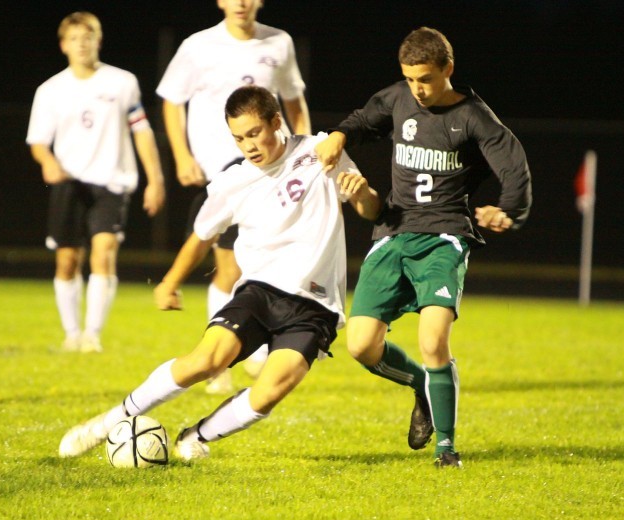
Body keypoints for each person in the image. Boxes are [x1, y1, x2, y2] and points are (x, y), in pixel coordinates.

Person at [58, 85, 380, 460]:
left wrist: (361, 194)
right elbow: (200, 236)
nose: (248, 146)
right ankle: (109, 421)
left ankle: (196, 437)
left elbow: (371, 210)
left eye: (255, 133)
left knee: (273, 387)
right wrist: (170, 282)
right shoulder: (233, 182)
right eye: (239, 138)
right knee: (207, 361)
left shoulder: (321, 151)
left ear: (277, 122)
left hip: (315, 303)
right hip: (260, 291)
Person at [315, 27, 532, 468]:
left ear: (448, 70)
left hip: (445, 237)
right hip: (394, 232)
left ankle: (446, 448)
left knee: (433, 340)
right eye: (411, 78)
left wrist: (508, 210)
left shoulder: (474, 116)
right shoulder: (398, 99)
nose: (418, 88)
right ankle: (423, 388)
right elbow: (362, 119)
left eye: (426, 79)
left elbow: (514, 166)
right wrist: (339, 135)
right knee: (359, 345)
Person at [156, 0, 311, 393]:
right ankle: (222, 363)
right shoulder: (197, 46)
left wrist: (305, 152)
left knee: (263, 262)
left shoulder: (279, 42)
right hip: (225, 174)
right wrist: (181, 155)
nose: (241, 2)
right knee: (228, 269)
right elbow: (172, 99)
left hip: (273, 173)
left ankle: (253, 354)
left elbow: (293, 101)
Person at [26, 12, 165, 353]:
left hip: (112, 182)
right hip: (69, 183)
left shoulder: (122, 82)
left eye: (88, 37)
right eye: (74, 38)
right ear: (63, 45)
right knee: (68, 260)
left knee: (103, 253)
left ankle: (92, 335)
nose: (82, 44)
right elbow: (38, 142)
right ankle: (71, 333)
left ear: (98, 41)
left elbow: (141, 131)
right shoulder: (50, 90)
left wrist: (155, 179)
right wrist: (48, 163)